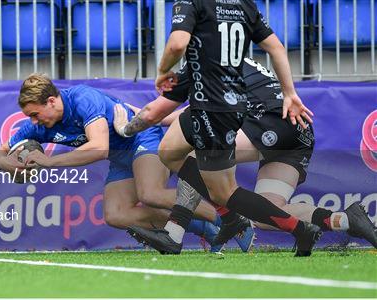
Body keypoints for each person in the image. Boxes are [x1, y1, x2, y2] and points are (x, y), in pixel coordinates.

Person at [114, 58, 377, 253]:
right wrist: (150, 118)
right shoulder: (232, 54)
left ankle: (176, 233)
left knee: (199, 150)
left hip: (270, 121)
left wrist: (132, 125)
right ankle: (346, 219)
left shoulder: (201, 55)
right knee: (270, 213)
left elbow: (172, 112)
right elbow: (182, 112)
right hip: (296, 131)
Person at [123, 0, 322, 256]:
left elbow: (176, 45)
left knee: (225, 192)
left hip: (212, 111)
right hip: (229, 108)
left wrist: (161, 73)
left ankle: (294, 228)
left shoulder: (191, 5)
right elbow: (276, 47)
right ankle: (208, 225)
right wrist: (289, 92)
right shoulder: (243, 5)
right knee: (171, 151)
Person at [0, 73, 240, 251]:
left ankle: (230, 220)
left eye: (35, 114)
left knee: (150, 193)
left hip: (142, 138)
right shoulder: (39, 126)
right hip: (120, 157)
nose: (33, 122)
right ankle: (204, 229)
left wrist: (49, 162)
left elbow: (99, 148)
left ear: (52, 101)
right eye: (29, 117)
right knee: (116, 214)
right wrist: (9, 165)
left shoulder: (82, 99)